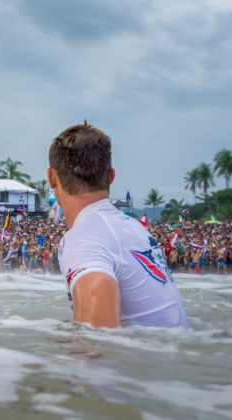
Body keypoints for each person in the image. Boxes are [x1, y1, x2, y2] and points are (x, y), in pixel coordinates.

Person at [47, 122, 189, 329]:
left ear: (51, 178)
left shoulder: (85, 238)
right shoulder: (133, 228)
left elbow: (94, 345)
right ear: (111, 176)